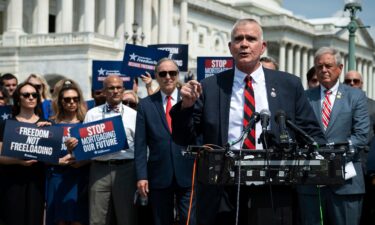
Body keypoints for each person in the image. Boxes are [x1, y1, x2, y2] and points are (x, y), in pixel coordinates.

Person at [170, 18, 325, 225]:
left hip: (273, 189)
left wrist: (323, 161)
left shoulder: (289, 85)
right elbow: (183, 137)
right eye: (238, 39)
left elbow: (311, 132)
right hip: (223, 192)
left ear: (262, 47)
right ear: (230, 47)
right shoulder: (210, 86)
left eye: (251, 39)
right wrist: (186, 107)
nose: (244, 44)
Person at [298, 47, 369, 225]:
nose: (323, 70)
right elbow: (298, 132)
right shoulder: (304, 97)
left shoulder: (356, 96)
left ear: (340, 67)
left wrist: (333, 156)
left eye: (328, 65)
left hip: (346, 183)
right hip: (312, 182)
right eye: (319, 66)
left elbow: (361, 135)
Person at [135, 58, 196, 225]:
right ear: (156, 76)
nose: (168, 77)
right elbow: (140, 144)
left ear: (178, 75)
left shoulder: (191, 100)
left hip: (188, 171)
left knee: (189, 220)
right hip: (159, 173)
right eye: (163, 73)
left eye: (172, 73)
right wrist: (141, 176)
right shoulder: (145, 105)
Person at [83, 75, 137, 225]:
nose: (115, 91)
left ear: (123, 90)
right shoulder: (92, 114)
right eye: (111, 88)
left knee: (127, 218)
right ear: (104, 92)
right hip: (99, 170)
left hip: (126, 169)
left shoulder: (134, 115)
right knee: (97, 218)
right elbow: (85, 144)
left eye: (118, 87)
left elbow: (142, 147)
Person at [0, 82, 51, 225]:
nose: (31, 98)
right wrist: (19, 162)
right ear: (18, 98)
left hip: (36, 181)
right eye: (26, 95)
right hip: (12, 182)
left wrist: (49, 133)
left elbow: (52, 156)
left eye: (34, 95)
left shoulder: (46, 124)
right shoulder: (7, 124)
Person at [45, 80, 89, 225]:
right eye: (67, 99)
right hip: (57, 176)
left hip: (80, 176)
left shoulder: (87, 122)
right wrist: (58, 161)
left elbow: (96, 151)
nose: (71, 102)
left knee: (78, 219)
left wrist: (83, 160)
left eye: (75, 99)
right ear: (60, 101)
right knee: (59, 220)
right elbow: (42, 155)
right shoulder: (50, 124)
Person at [343, 70, 375, 225]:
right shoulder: (338, 102)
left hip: (366, 165)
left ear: (361, 84)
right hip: (345, 163)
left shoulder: (372, 106)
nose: (351, 83)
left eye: (355, 81)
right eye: (348, 81)